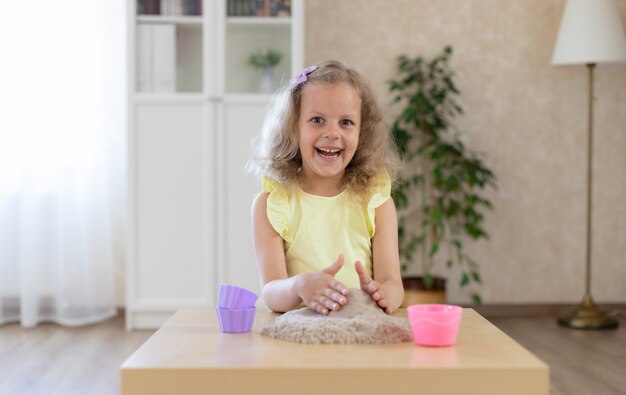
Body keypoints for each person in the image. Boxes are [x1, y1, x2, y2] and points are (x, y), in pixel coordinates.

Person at [248, 60, 403, 316]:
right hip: (298, 337)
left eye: (346, 123)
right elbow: (272, 292)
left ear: (362, 132)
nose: (332, 133)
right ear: (293, 128)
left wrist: (384, 294)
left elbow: (392, 282)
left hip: (362, 331)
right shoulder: (272, 204)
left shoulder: (376, 200)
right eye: (317, 120)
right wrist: (299, 286)